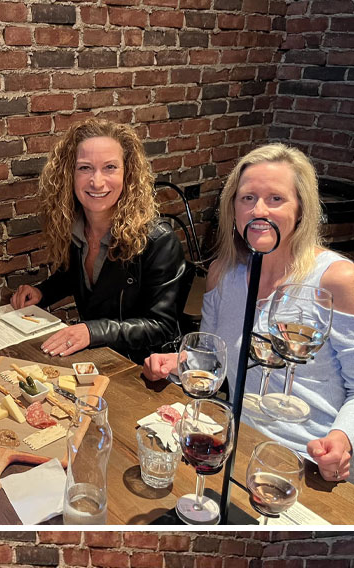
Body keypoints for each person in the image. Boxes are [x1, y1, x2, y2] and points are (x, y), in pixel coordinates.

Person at [143, 144, 354, 483]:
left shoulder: (337, 280)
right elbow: (209, 357)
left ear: (301, 208)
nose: (259, 210)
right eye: (247, 198)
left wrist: (343, 440)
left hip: (311, 462)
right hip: (235, 443)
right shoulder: (223, 275)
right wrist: (176, 365)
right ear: (233, 209)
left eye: (275, 199)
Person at [9, 118, 187, 363]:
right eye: (85, 168)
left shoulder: (159, 240)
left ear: (129, 173)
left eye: (110, 167)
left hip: (142, 368)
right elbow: (73, 276)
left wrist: (92, 331)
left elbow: (162, 325)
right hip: (98, 359)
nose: (97, 181)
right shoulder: (73, 225)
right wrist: (41, 292)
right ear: (68, 174)